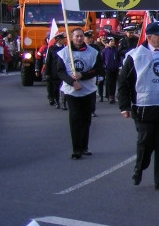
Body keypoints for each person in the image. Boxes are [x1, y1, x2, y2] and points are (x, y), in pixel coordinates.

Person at [118, 21, 159, 191]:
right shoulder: (135, 55)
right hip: (144, 107)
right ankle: (139, 167)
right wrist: (124, 106)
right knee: (145, 143)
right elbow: (124, 82)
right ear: (149, 37)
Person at [55, 28, 103, 159]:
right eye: (76, 36)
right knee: (75, 118)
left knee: (86, 119)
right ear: (72, 38)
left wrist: (82, 75)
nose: (79, 39)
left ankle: (84, 146)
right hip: (72, 91)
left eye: (81, 36)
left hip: (88, 89)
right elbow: (60, 71)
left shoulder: (93, 52)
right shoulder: (64, 53)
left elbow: (98, 68)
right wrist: (72, 82)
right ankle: (76, 149)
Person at [44, 32, 66, 108]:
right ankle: (57, 101)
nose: (63, 40)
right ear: (58, 40)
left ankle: (64, 103)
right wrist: (47, 73)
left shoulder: (65, 48)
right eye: (62, 39)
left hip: (64, 71)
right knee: (56, 88)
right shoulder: (52, 49)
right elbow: (48, 62)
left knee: (64, 88)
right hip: (54, 72)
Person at [101, 37, 120, 104]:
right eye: (111, 41)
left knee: (114, 83)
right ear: (108, 42)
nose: (113, 43)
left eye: (113, 41)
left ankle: (113, 95)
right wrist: (104, 66)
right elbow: (102, 60)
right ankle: (110, 96)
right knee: (109, 83)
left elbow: (118, 58)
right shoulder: (104, 51)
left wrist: (118, 65)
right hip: (108, 69)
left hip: (115, 69)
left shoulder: (116, 50)